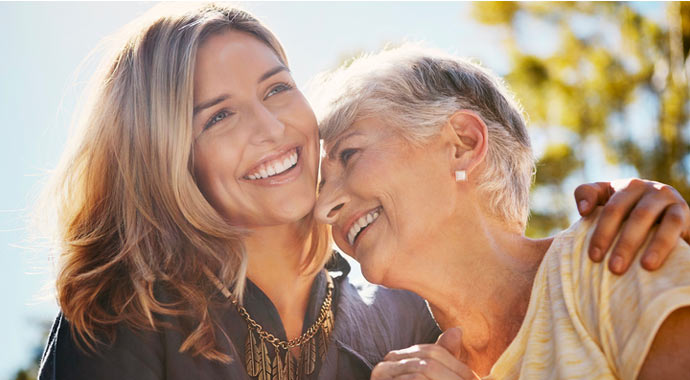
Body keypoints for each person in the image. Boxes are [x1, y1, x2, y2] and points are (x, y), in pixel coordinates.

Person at [37, 4, 689, 380]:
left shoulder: (412, 318)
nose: (270, 130)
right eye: (217, 116)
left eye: (275, 89)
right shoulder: (127, 315)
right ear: (170, 160)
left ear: (462, 143)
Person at [314, 45, 690, 379]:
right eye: (319, 186)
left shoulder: (614, 258)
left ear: (463, 144)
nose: (325, 207)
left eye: (349, 155)